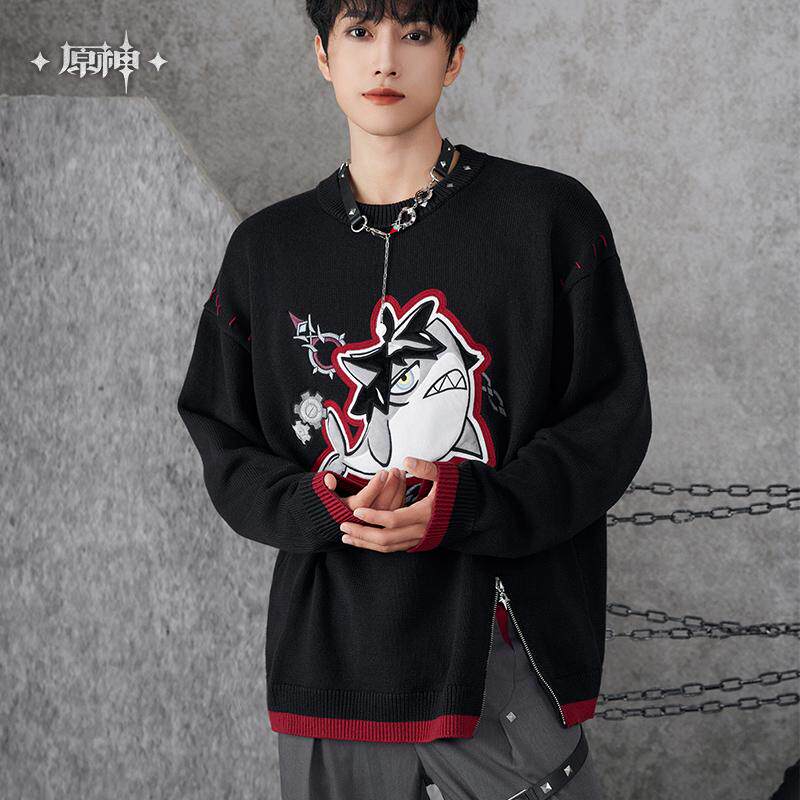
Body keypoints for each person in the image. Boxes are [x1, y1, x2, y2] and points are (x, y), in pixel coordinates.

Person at [176, 0, 653, 797]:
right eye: (361, 31)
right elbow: (223, 440)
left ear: (454, 57)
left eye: (418, 33)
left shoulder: (548, 218)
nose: (387, 58)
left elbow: (611, 421)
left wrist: (467, 505)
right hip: (331, 666)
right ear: (323, 55)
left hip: (499, 653)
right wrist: (319, 504)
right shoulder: (266, 250)